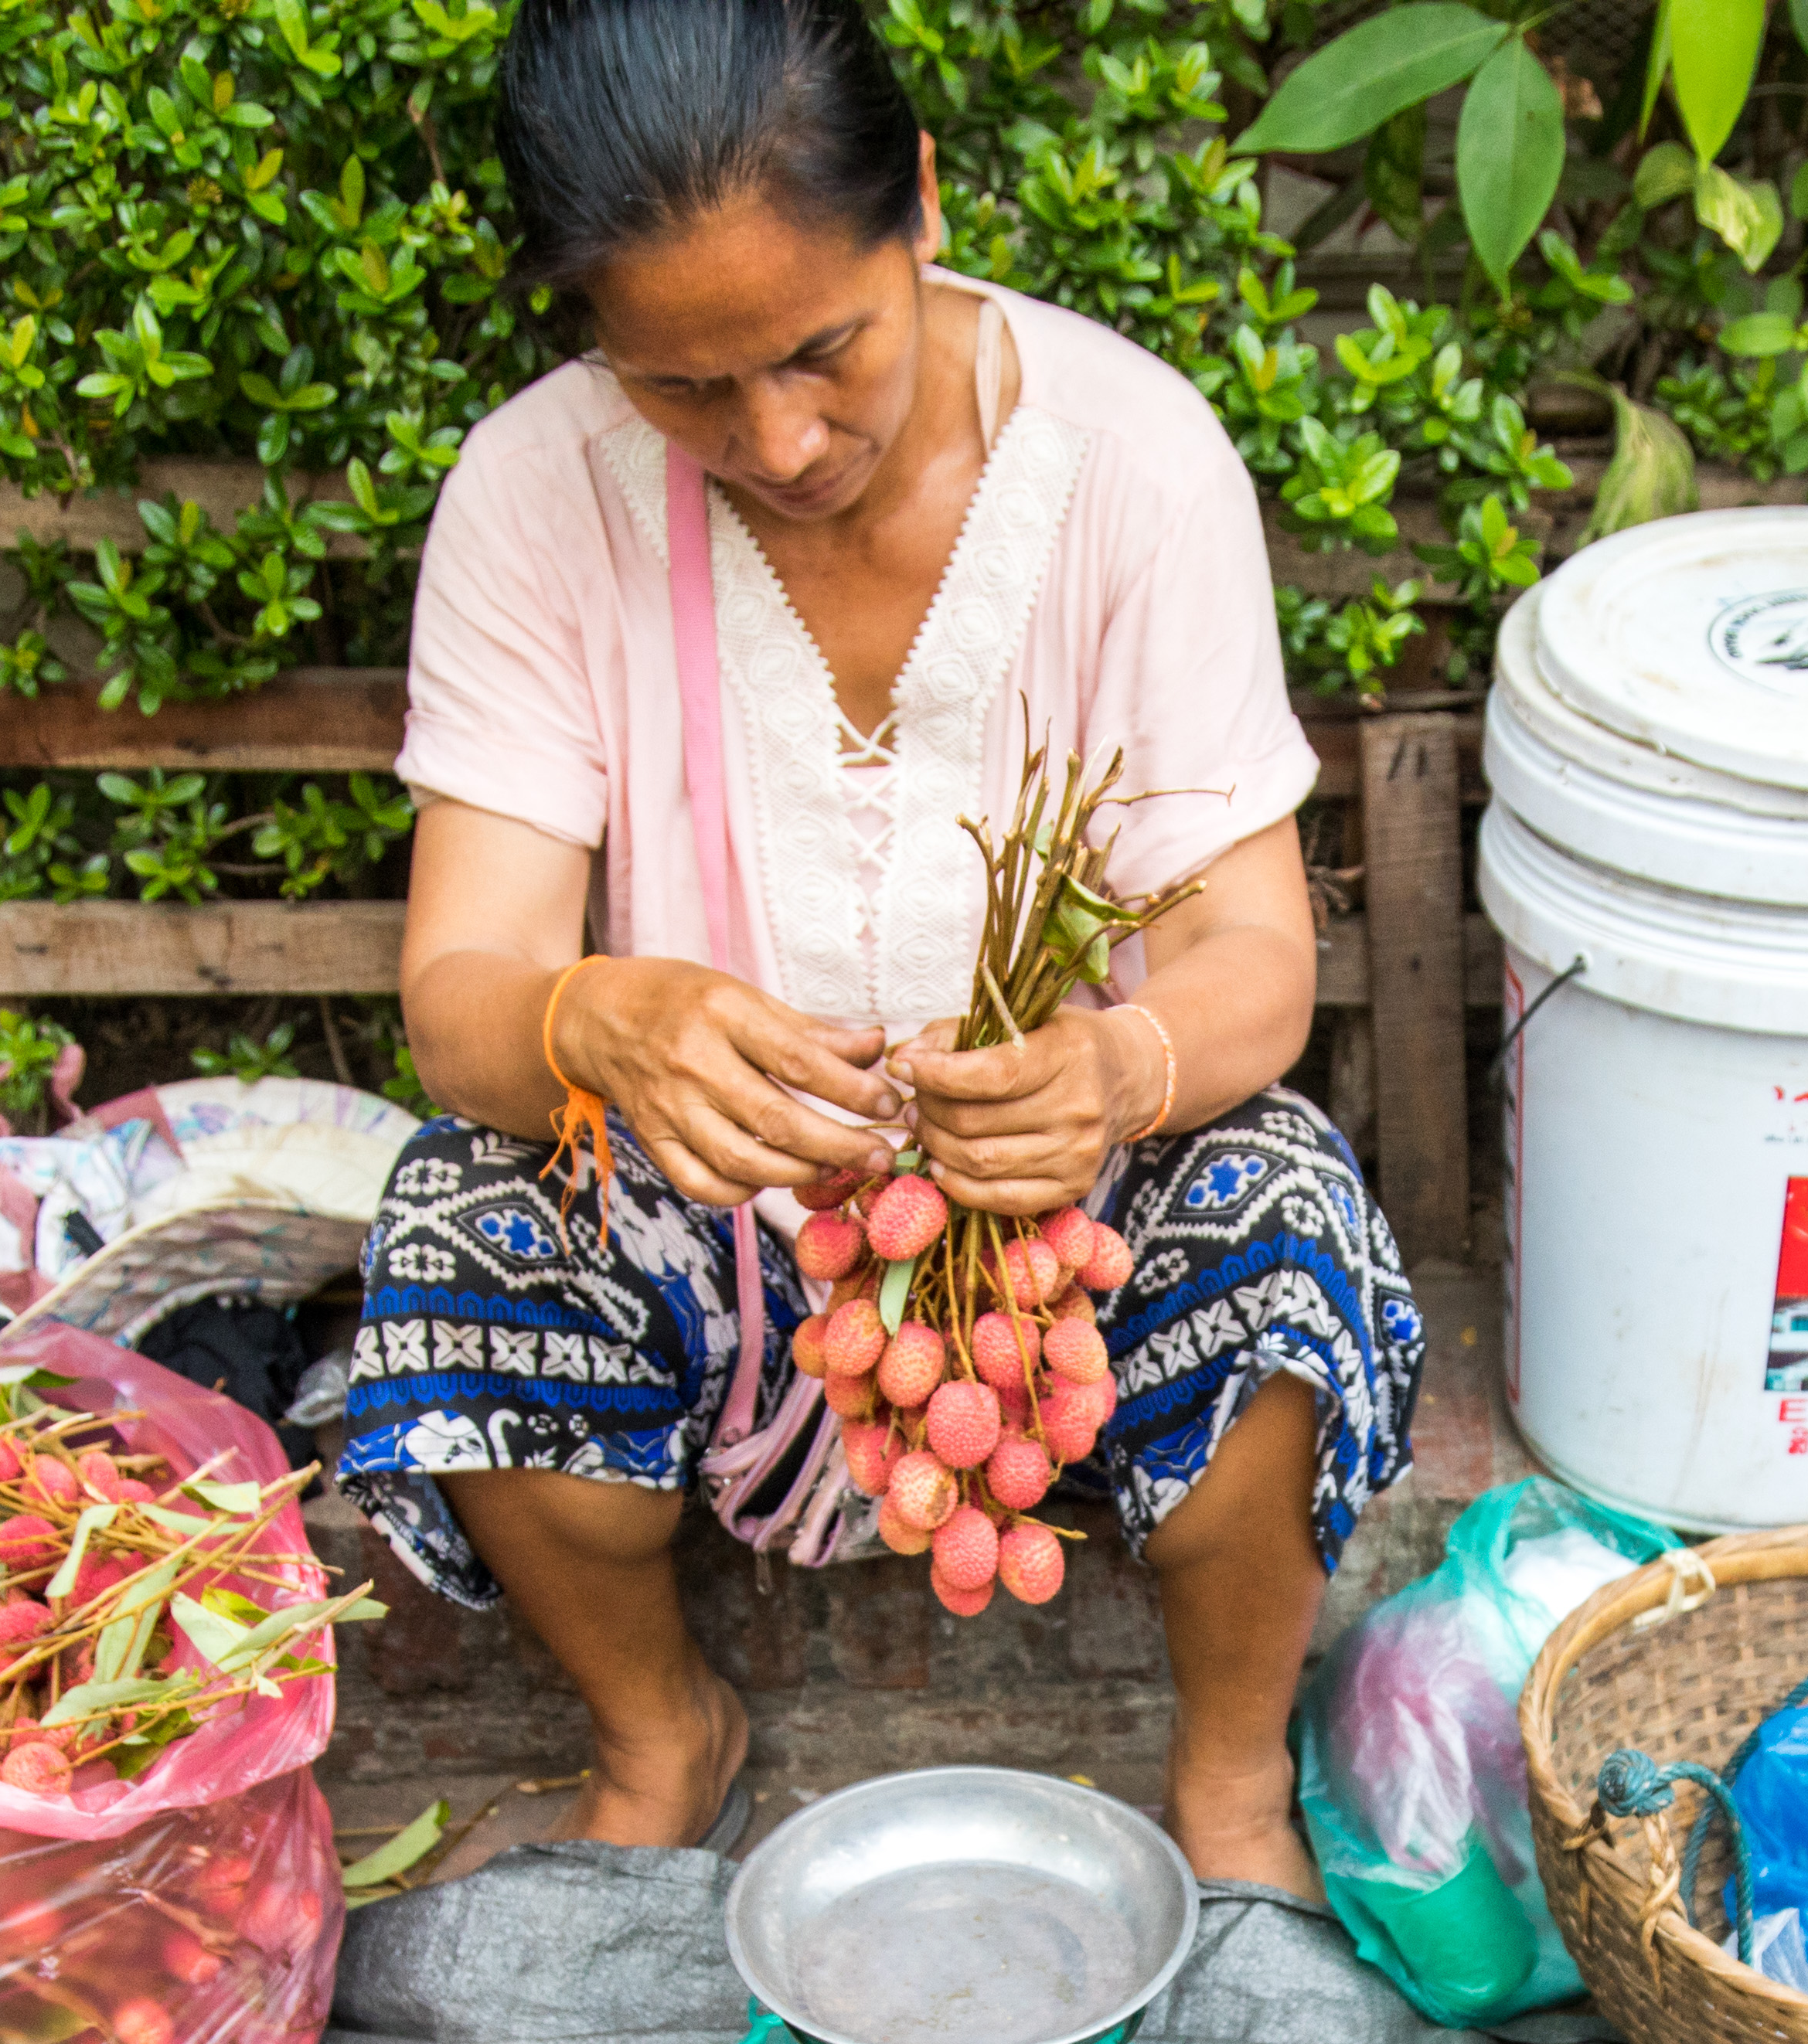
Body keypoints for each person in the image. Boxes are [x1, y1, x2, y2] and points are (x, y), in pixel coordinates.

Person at [339, 0, 1422, 1892]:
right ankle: (663, 1734)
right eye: (683, 387)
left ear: (918, 204)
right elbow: (465, 999)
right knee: (451, 1223)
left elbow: (1253, 947)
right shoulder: (532, 498)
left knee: (1286, 1216)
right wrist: (594, 1016)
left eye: (822, 349)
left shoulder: (1131, 466)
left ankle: (1235, 1789)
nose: (777, 438)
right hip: (722, 1213)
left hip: (1063, 1207)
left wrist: (1115, 1070)